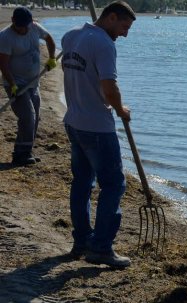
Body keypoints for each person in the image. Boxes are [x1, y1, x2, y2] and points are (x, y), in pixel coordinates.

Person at [61, 1, 136, 268]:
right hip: (96, 127)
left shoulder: (71, 36)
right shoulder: (104, 44)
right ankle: (101, 247)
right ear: (111, 17)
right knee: (114, 185)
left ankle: (82, 240)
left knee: (82, 183)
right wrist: (120, 108)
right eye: (124, 26)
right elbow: (109, 87)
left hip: (73, 120)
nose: (125, 34)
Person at [0, 6, 57, 166]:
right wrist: (12, 85)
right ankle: (20, 154)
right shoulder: (5, 37)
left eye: (27, 25)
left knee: (35, 117)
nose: (24, 30)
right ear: (13, 21)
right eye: (21, 26)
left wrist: (52, 58)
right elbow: (3, 65)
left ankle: (27, 150)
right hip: (16, 83)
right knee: (27, 116)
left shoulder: (34, 27)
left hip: (33, 82)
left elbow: (49, 39)